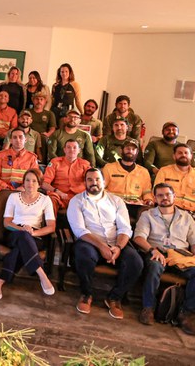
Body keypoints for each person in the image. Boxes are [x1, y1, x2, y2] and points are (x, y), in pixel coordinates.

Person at [67, 169, 143, 320]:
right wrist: (102, 246)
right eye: (90, 180)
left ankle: (114, 298)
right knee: (84, 255)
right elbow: (79, 230)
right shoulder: (76, 201)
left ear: (103, 182)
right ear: (85, 183)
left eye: (97, 179)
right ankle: (86, 294)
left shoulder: (116, 201)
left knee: (136, 262)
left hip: (116, 243)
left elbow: (125, 228)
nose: (94, 182)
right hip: (90, 243)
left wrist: (118, 247)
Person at [133, 183, 195, 333]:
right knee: (154, 267)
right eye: (160, 195)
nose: (164, 198)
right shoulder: (147, 215)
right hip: (157, 251)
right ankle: (148, 308)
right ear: (155, 198)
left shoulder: (186, 217)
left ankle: (186, 313)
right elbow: (139, 238)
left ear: (174, 196)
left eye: (167, 194)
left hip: (180, 255)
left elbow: (194, 242)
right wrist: (152, 250)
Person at [0, 169, 56, 300]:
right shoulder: (13, 197)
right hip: (14, 232)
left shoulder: (46, 200)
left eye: (34, 181)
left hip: (35, 235)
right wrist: (22, 230)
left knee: (19, 249)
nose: (30, 184)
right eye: (27, 180)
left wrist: (33, 232)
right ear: (23, 182)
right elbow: (6, 223)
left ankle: (0, 282)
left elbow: (51, 227)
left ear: (39, 183)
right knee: (23, 236)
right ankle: (41, 273)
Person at [42, 139, 90, 214]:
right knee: (51, 199)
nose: (71, 150)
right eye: (68, 147)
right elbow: (44, 183)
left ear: (79, 150)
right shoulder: (55, 162)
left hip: (78, 197)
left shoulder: (85, 164)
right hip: (59, 196)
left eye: (74, 147)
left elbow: (91, 180)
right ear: (64, 150)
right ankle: (51, 225)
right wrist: (57, 191)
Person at [102, 139, 154, 207]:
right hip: (113, 204)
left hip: (136, 206)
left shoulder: (143, 172)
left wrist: (148, 200)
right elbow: (101, 188)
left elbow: (147, 192)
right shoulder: (109, 168)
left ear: (137, 152)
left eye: (133, 149)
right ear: (121, 150)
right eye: (127, 148)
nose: (130, 151)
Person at [154, 143, 195, 212]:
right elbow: (156, 192)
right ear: (174, 156)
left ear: (191, 156)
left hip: (191, 211)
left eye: (186, 153)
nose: (183, 155)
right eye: (180, 153)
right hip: (169, 209)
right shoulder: (164, 171)